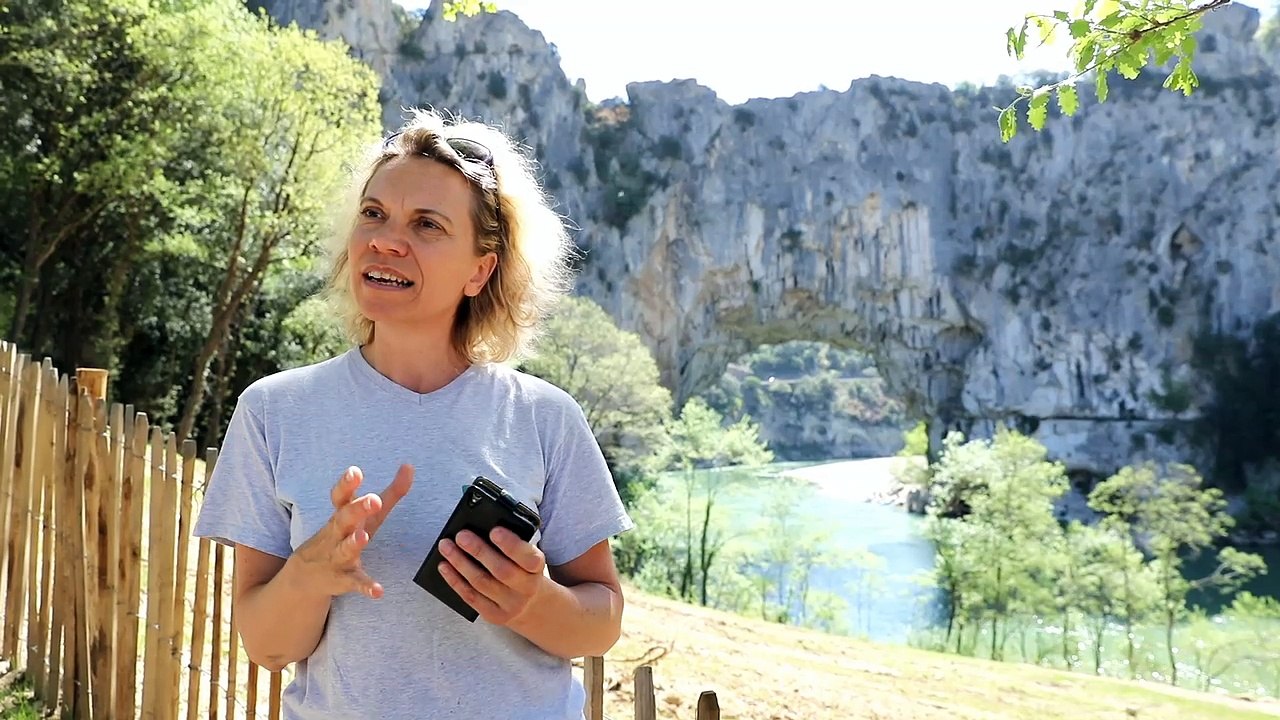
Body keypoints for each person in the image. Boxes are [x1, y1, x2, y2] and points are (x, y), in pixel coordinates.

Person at [192, 107, 635, 719]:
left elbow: (602, 621)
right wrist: (310, 574)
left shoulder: (546, 418)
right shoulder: (274, 411)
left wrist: (533, 601)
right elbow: (267, 648)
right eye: (373, 214)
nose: (386, 239)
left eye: (427, 224)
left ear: (481, 270)